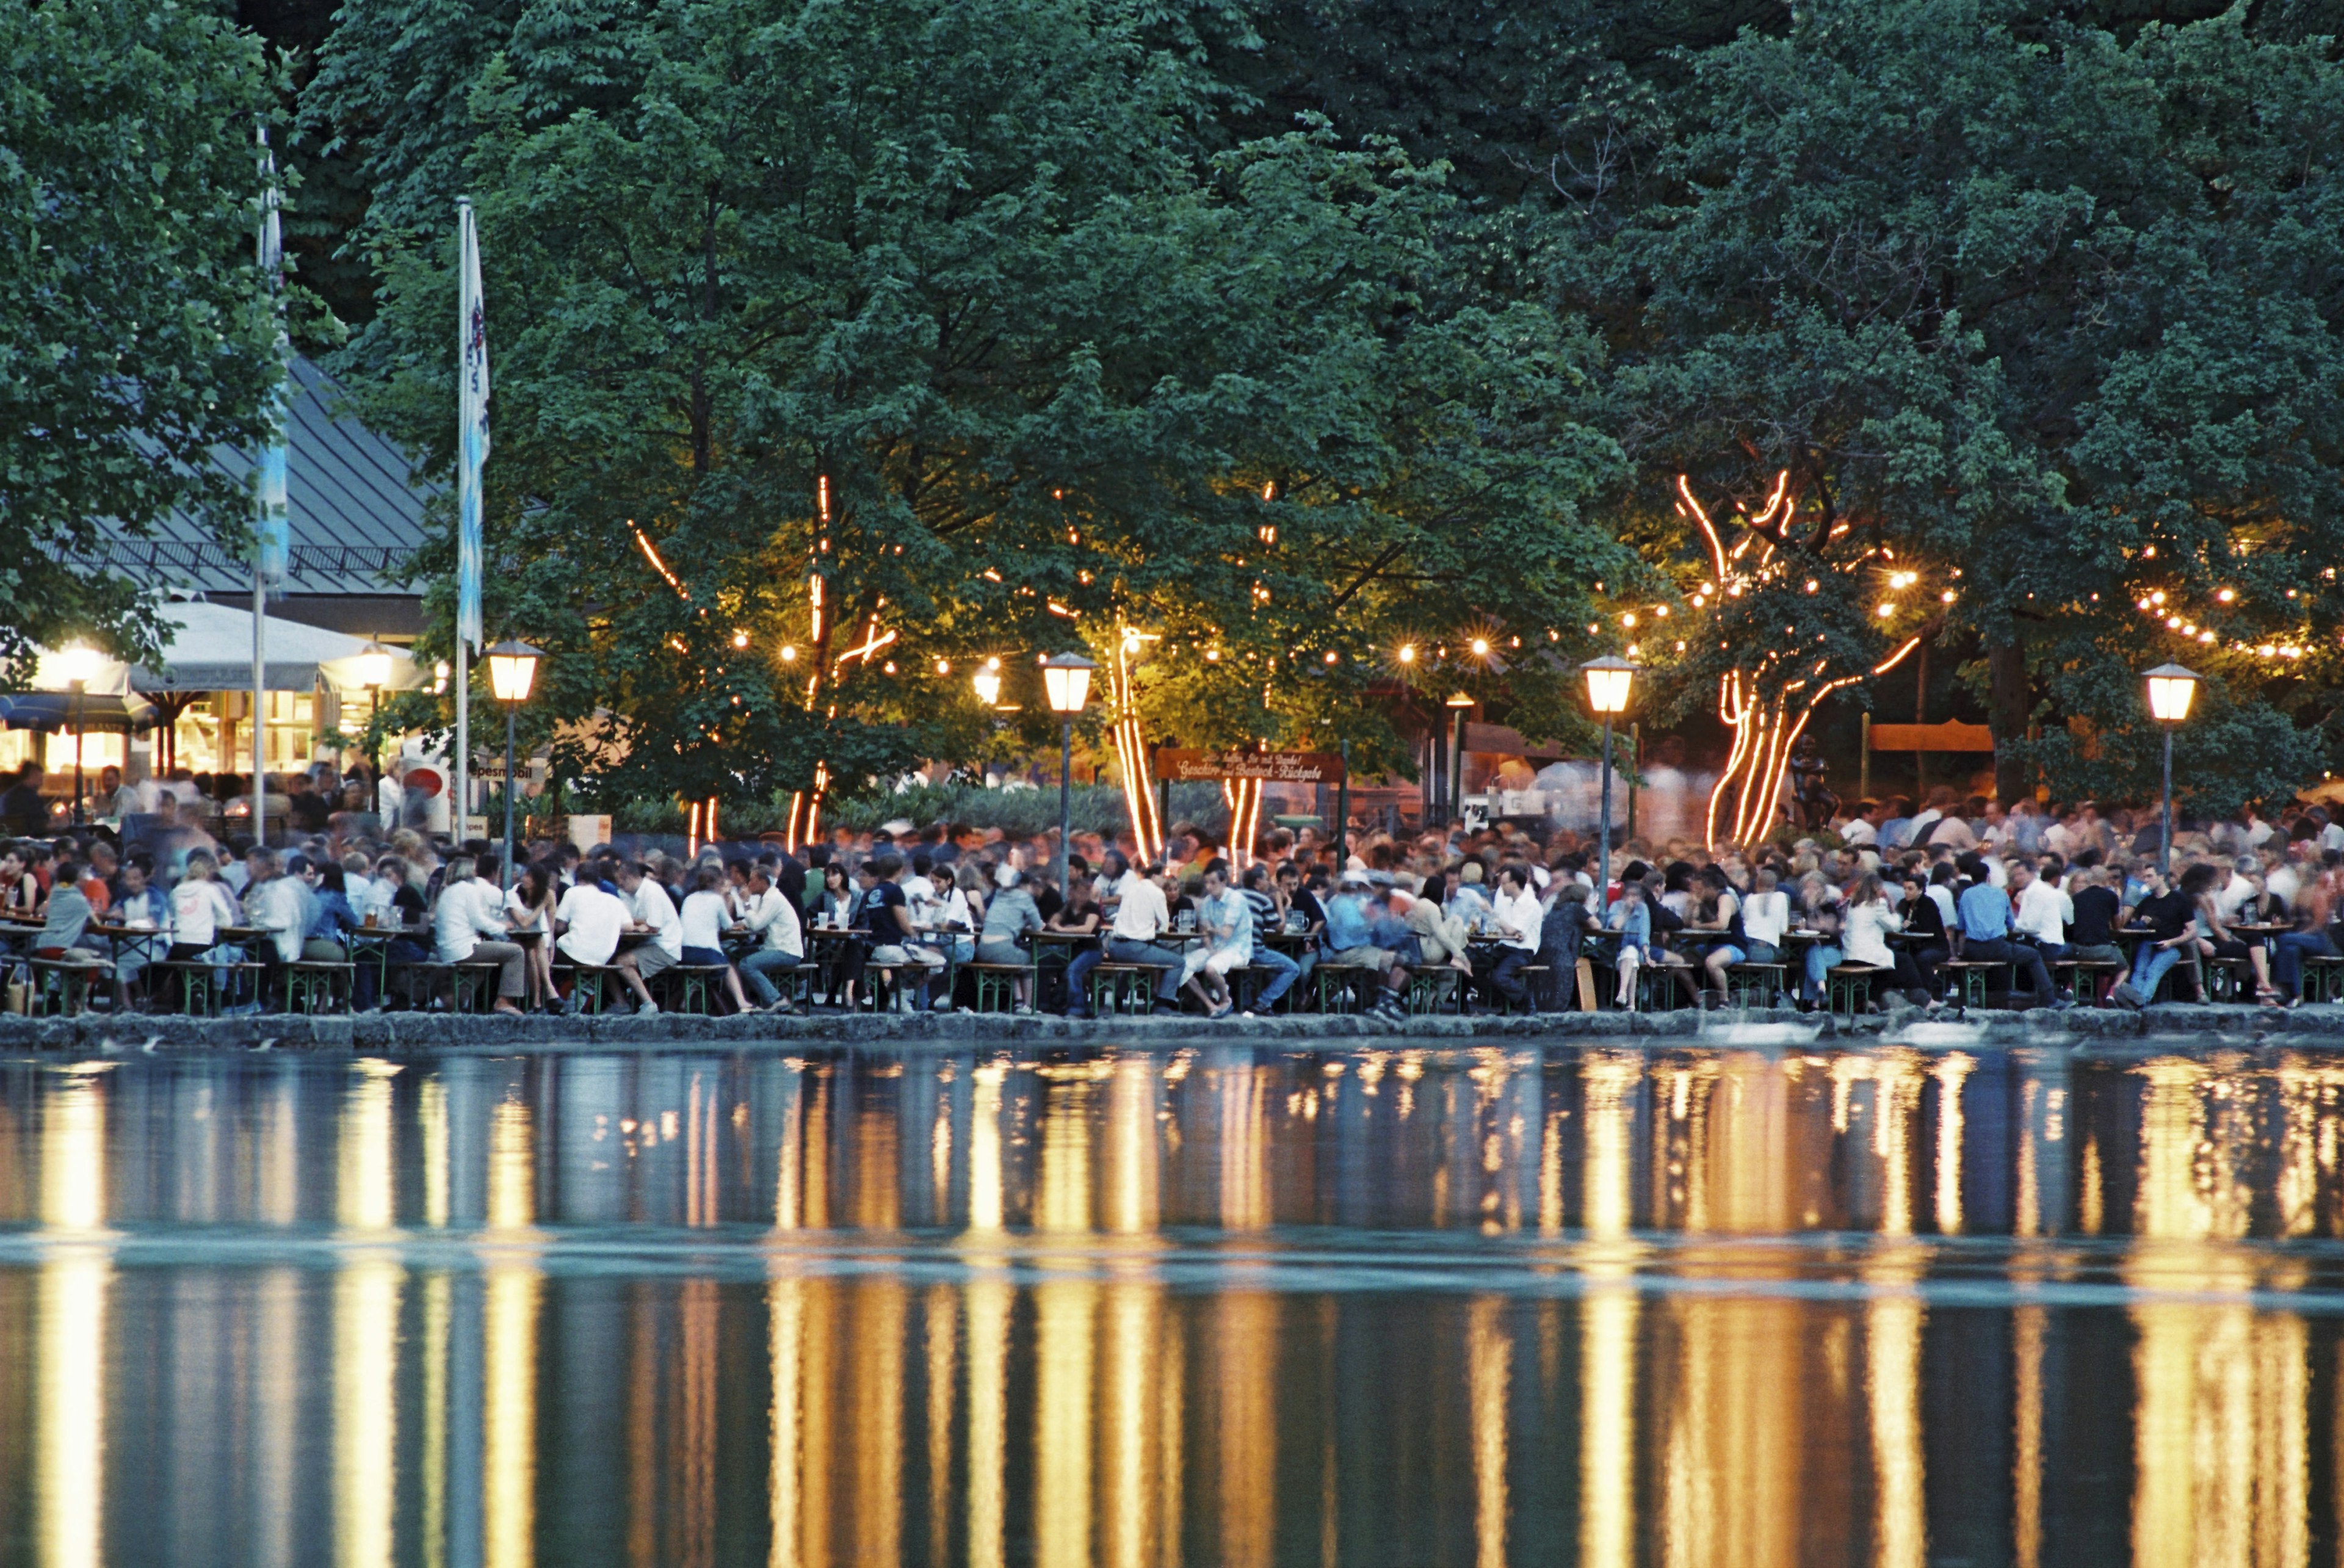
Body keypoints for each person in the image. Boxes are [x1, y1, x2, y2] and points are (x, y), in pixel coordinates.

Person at [1068, 861, 1187, 1016]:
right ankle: (1162, 1004)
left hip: (1115, 947)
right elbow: (1164, 925)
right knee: (1178, 962)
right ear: (1155, 876)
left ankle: (1119, 997)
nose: (1165, 881)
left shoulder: (1131, 889)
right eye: (1164, 877)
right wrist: (1156, 926)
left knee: (1133, 960)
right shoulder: (1157, 893)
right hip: (1135, 948)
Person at [1952, 852, 2066, 1006]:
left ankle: (1965, 1001)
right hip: (1997, 948)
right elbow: (2011, 925)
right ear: (1988, 877)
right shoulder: (2000, 893)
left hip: (1973, 950)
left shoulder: (1966, 895)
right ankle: (2048, 999)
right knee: (2033, 955)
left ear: (1972, 878)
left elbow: (1961, 928)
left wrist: (1960, 952)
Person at [432, 854, 529, 1016]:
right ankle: (504, 1002)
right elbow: (479, 920)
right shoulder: (468, 889)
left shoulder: (448, 890)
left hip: (446, 948)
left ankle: (454, 996)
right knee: (516, 952)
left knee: (486, 963)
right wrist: (503, 928)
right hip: (463, 948)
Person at [1319, 868, 1411, 1019]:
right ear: (1357, 886)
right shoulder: (1344, 904)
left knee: (1397, 964)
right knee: (1396, 960)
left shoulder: (1352, 902)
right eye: (1365, 887)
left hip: (1357, 950)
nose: (1368, 890)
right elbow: (1354, 929)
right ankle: (1383, 1003)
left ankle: (1384, 1002)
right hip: (1348, 952)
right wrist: (1371, 922)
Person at [2113, 865, 2196, 1008]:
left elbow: (2193, 931)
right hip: (2149, 942)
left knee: (2153, 971)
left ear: (2161, 877)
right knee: (2139, 971)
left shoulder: (2179, 899)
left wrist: (2171, 942)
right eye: (2145, 877)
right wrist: (2140, 922)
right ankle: (2136, 1000)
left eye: (2150, 876)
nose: (2146, 880)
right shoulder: (2147, 902)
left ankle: (2140, 1001)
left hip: (2171, 946)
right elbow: (2133, 920)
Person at [1178, 863, 1251, 1018]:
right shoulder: (1207, 902)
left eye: (1213, 883)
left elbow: (1226, 933)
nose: (1209, 887)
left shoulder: (1236, 900)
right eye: (1206, 883)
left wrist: (1210, 930)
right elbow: (1205, 933)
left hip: (1237, 949)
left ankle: (1226, 1000)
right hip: (1217, 947)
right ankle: (1210, 1005)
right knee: (1182, 964)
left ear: (1224, 882)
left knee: (1211, 968)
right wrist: (1211, 948)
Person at [678, 864, 752, 1013]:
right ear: (718, 883)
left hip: (684, 952)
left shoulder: (689, 898)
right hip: (706, 953)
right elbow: (728, 926)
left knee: (699, 969)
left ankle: (686, 1000)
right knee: (728, 965)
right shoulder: (717, 900)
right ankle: (741, 1001)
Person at [613, 859, 683, 1014]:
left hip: (665, 947)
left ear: (629, 877)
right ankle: (620, 1004)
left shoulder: (652, 891)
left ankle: (649, 1004)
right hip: (649, 944)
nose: (620, 887)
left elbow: (653, 927)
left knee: (622, 962)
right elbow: (630, 921)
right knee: (607, 959)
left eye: (621, 882)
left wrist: (637, 924)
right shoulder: (630, 894)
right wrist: (639, 924)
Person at [735, 863, 806, 1012]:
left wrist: (746, 903)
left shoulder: (772, 899)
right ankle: (747, 1002)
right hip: (775, 947)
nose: (749, 884)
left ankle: (777, 1000)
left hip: (786, 951)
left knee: (747, 965)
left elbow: (756, 925)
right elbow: (755, 920)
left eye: (752, 880)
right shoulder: (767, 897)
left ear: (763, 882)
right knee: (736, 955)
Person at [552, 871, 629, 1008]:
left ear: (579, 880)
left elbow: (559, 927)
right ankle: (579, 993)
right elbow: (629, 927)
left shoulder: (573, 892)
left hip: (574, 953)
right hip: (603, 957)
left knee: (541, 955)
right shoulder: (614, 900)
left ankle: (546, 999)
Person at [975, 864, 1045, 1012]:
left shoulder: (999, 894)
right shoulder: (1025, 898)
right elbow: (1038, 926)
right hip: (1001, 949)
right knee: (1029, 962)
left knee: (1015, 959)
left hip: (982, 949)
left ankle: (1019, 1003)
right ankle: (1028, 1006)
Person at [505, 863, 562, 1009]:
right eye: (525, 875)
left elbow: (551, 927)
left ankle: (537, 1002)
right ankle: (549, 992)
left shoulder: (549, 895)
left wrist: (552, 950)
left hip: (539, 941)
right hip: (515, 939)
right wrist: (542, 905)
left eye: (529, 877)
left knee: (533, 949)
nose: (524, 879)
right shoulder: (513, 894)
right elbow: (524, 924)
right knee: (533, 947)